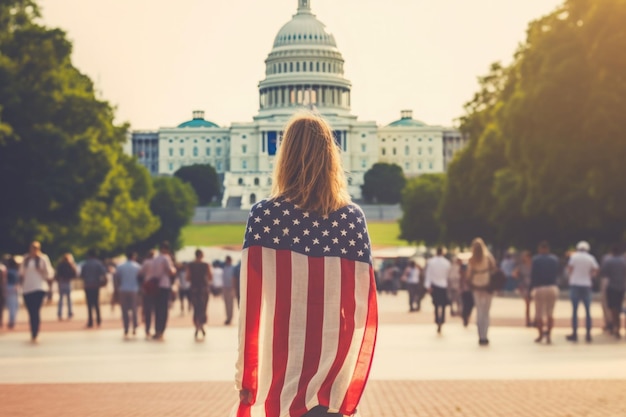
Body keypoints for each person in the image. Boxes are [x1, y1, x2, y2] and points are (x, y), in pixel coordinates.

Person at [234, 114, 378, 417]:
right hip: (331, 364)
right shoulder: (352, 219)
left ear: (284, 156)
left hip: (281, 363)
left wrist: (247, 373)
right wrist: (348, 369)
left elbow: (251, 306)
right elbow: (363, 306)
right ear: (331, 156)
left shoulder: (263, 216)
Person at [19, 241, 54, 342]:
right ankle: (32, 330)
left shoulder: (42, 259)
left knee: (36, 310)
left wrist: (41, 271)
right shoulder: (26, 259)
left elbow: (49, 273)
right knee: (30, 311)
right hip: (27, 288)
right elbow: (21, 273)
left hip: (39, 287)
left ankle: (35, 332)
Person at [566, 241, 598, 343]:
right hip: (586, 284)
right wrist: (590, 276)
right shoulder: (590, 258)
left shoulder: (574, 257)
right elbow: (596, 269)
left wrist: (572, 276)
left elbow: (570, 269)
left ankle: (575, 333)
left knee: (575, 310)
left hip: (575, 284)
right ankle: (588, 334)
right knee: (588, 310)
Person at [467, 238, 496, 346]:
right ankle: (485, 335)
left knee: (479, 311)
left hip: (476, 287)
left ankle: (480, 336)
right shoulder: (488, 258)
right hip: (487, 287)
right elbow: (494, 269)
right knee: (486, 312)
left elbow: (468, 275)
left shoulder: (472, 260)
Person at [530, 242, 560, 344]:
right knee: (550, 313)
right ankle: (549, 335)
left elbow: (533, 275)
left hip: (540, 287)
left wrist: (531, 289)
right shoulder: (554, 259)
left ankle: (540, 335)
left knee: (539, 313)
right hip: (552, 286)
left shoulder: (536, 259)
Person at [148, 241, 176, 340]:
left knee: (156, 308)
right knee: (163, 309)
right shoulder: (166, 258)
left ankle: (156, 329)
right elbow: (170, 271)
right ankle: (161, 330)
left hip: (155, 285)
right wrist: (174, 269)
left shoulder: (155, 259)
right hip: (164, 285)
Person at [600, 245, 626, 339]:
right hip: (622, 287)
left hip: (612, 287)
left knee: (612, 308)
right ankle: (617, 328)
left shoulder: (608, 261)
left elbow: (604, 273)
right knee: (619, 307)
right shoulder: (623, 261)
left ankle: (613, 326)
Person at [424, 247, 451, 333]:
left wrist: (427, 286)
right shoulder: (446, 263)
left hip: (435, 285)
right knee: (442, 305)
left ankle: (437, 320)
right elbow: (448, 276)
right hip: (443, 286)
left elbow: (428, 274)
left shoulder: (431, 262)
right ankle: (442, 320)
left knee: (436, 305)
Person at [114, 251, 141, 337]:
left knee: (124, 310)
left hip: (123, 289)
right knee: (134, 309)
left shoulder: (120, 266)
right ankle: (134, 327)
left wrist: (117, 289)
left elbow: (116, 278)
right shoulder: (137, 266)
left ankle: (126, 327)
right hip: (134, 289)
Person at [186, 249, 211, 339]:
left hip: (194, 289)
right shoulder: (206, 265)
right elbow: (210, 276)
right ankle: (202, 324)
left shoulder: (190, 265)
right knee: (203, 308)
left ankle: (197, 325)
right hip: (203, 289)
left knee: (196, 308)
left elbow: (187, 278)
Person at [80, 249, 107, 328]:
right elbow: (103, 273)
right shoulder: (98, 263)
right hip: (96, 285)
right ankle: (98, 320)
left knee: (89, 304)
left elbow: (82, 275)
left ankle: (90, 321)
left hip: (88, 285)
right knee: (96, 303)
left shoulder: (85, 264)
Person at [513, 250, 533, 327]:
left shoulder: (533, 265)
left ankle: (536, 320)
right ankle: (528, 321)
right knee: (527, 304)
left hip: (533, 285)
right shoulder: (521, 266)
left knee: (537, 304)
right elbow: (514, 274)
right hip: (525, 286)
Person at [55, 253, 77, 320]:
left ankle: (60, 313)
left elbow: (57, 274)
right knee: (68, 299)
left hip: (62, 282)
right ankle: (69, 313)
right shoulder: (70, 265)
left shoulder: (60, 265)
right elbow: (74, 273)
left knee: (61, 299)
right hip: (67, 282)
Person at [139, 250, 156, 337]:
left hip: (147, 286)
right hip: (156, 286)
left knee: (147, 309)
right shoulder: (157, 262)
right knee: (155, 309)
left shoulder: (146, 262)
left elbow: (140, 273)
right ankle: (156, 328)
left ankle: (147, 328)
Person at [4, 256, 20, 329]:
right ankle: (12, 322)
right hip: (13, 288)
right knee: (13, 306)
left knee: (12, 306)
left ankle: (12, 321)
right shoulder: (14, 271)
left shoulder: (7, 271)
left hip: (9, 288)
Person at [459, 260, 474, 327]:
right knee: (467, 305)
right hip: (466, 291)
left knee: (468, 305)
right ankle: (465, 317)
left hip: (468, 291)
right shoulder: (463, 277)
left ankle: (466, 316)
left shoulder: (468, 275)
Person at [222, 256, 236, 325]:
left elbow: (233, 278)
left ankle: (230, 318)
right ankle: (227, 317)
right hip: (225, 287)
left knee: (230, 304)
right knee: (226, 303)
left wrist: (233, 288)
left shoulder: (233, 268)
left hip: (231, 288)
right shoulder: (224, 268)